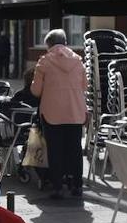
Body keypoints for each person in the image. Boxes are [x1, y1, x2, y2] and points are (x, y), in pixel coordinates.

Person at [30, 29, 88, 199]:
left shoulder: (44, 62)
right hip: (75, 112)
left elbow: (35, 90)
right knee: (75, 149)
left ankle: (57, 187)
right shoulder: (78, 61)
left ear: (49, 44)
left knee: (55, 150)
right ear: (65, 42)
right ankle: (77, 185)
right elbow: (85, 86)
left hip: (52, 113)